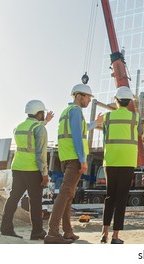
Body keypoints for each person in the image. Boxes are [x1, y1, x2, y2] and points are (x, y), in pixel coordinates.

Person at [44, 84, 103, 244]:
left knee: (68, 195)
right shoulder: (76, 111)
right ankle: (52, 232)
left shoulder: (67, 111)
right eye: (88, 97)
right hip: (75, 158)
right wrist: (83, 160)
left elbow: (81, 129)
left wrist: (95, 123)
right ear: (79, 96)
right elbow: (77, 136)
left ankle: (68, 231)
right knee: (65, 194)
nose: (90, 100)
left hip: (66, 157)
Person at [0, 100, 52, 240]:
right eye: (43, 113)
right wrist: (45, 174)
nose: (44, 115)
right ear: (39, 113)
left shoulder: (18, 127)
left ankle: (5, 228)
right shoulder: (40, 128)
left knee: (13, 198)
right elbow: (41, 154)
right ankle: (36, 232)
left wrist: (45, 122)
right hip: (32, 169)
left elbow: (31, 133)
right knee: (35, 201)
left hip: (17, 167)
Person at [100, 86, 138, 244]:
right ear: (130, 102)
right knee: (121, 198)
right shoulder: (135, 117)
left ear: (115, 100)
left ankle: (104, 233)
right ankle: (115, 236)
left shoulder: (107, 117)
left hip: (111, 160)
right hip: (127, 161)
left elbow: (104, 137)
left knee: (110, 197)